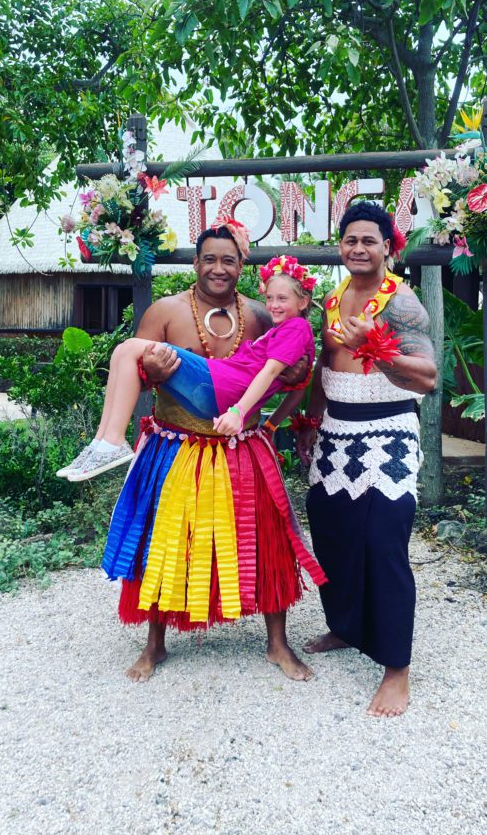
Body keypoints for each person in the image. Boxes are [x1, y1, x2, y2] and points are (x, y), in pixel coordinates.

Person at [97, 216, 326, 682]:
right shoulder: (164, 311)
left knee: (267, 539)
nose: (217, 268)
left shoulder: (266, 315)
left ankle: (277, 643)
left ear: (242, 264)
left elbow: (297, 372)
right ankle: (154, 644)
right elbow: (133, 379)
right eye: (208, 259)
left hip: (244, 445)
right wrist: (156, 374)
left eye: (228, 260)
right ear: (194, 262)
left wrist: (287, 407)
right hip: (174, 446)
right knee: (162, 542)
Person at [297, 200, 437, 718]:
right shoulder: (333, 300)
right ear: (341, 246)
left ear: (387, 247)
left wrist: (377, 349)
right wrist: (310, 423)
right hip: (335, 431)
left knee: (383, 543)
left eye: (369, 241)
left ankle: (396, 668)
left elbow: (427, 376)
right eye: (351, 240)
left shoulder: (401, 302)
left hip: (387, 431)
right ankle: (346, 626)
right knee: (332, 535)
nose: (359, 249)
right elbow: (322, 366)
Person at [59, 257, 317, 481]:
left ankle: (113, 440)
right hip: (217, 389)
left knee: (129, 349)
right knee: (123, 350)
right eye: (270, 298)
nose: (273, 305)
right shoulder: (284, 331)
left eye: (282, 298)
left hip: (220, 387)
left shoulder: (297, 328)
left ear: (303, 301)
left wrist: (239, 412)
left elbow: (270, 372)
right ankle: (102, 442)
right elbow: (300, 385)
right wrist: (271, 426)